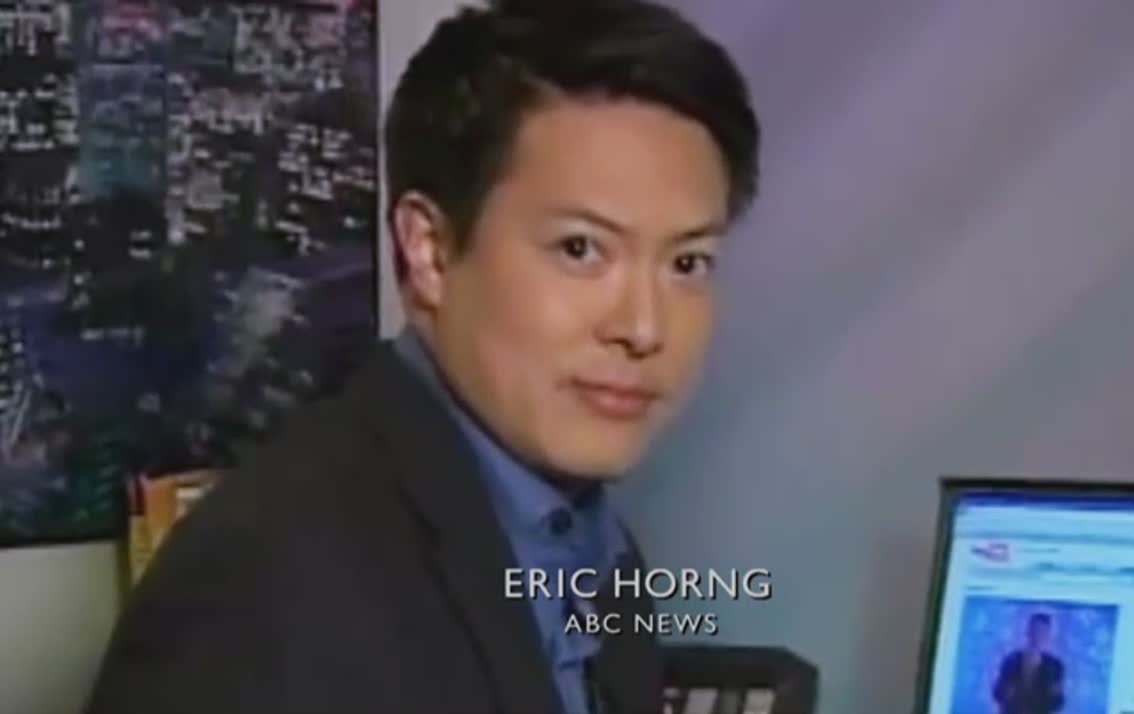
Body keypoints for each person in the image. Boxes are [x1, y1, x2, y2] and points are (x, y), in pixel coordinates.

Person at [83, 0, 760, 712]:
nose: (644, 328)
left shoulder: (593, 548)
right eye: (580, 249)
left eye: (687, 263)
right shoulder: (254, 588)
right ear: (430, 252)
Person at [991, 613, 1066, 714]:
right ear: (1028, 631)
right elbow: (997, 694)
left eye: (1042, 632)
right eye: (1034, 630)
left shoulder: (1054, 666)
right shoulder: (1012, 660)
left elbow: (1057, 703)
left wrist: (1055, 694)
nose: (1037, 636)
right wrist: (1006, 690)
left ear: (1048, 635)